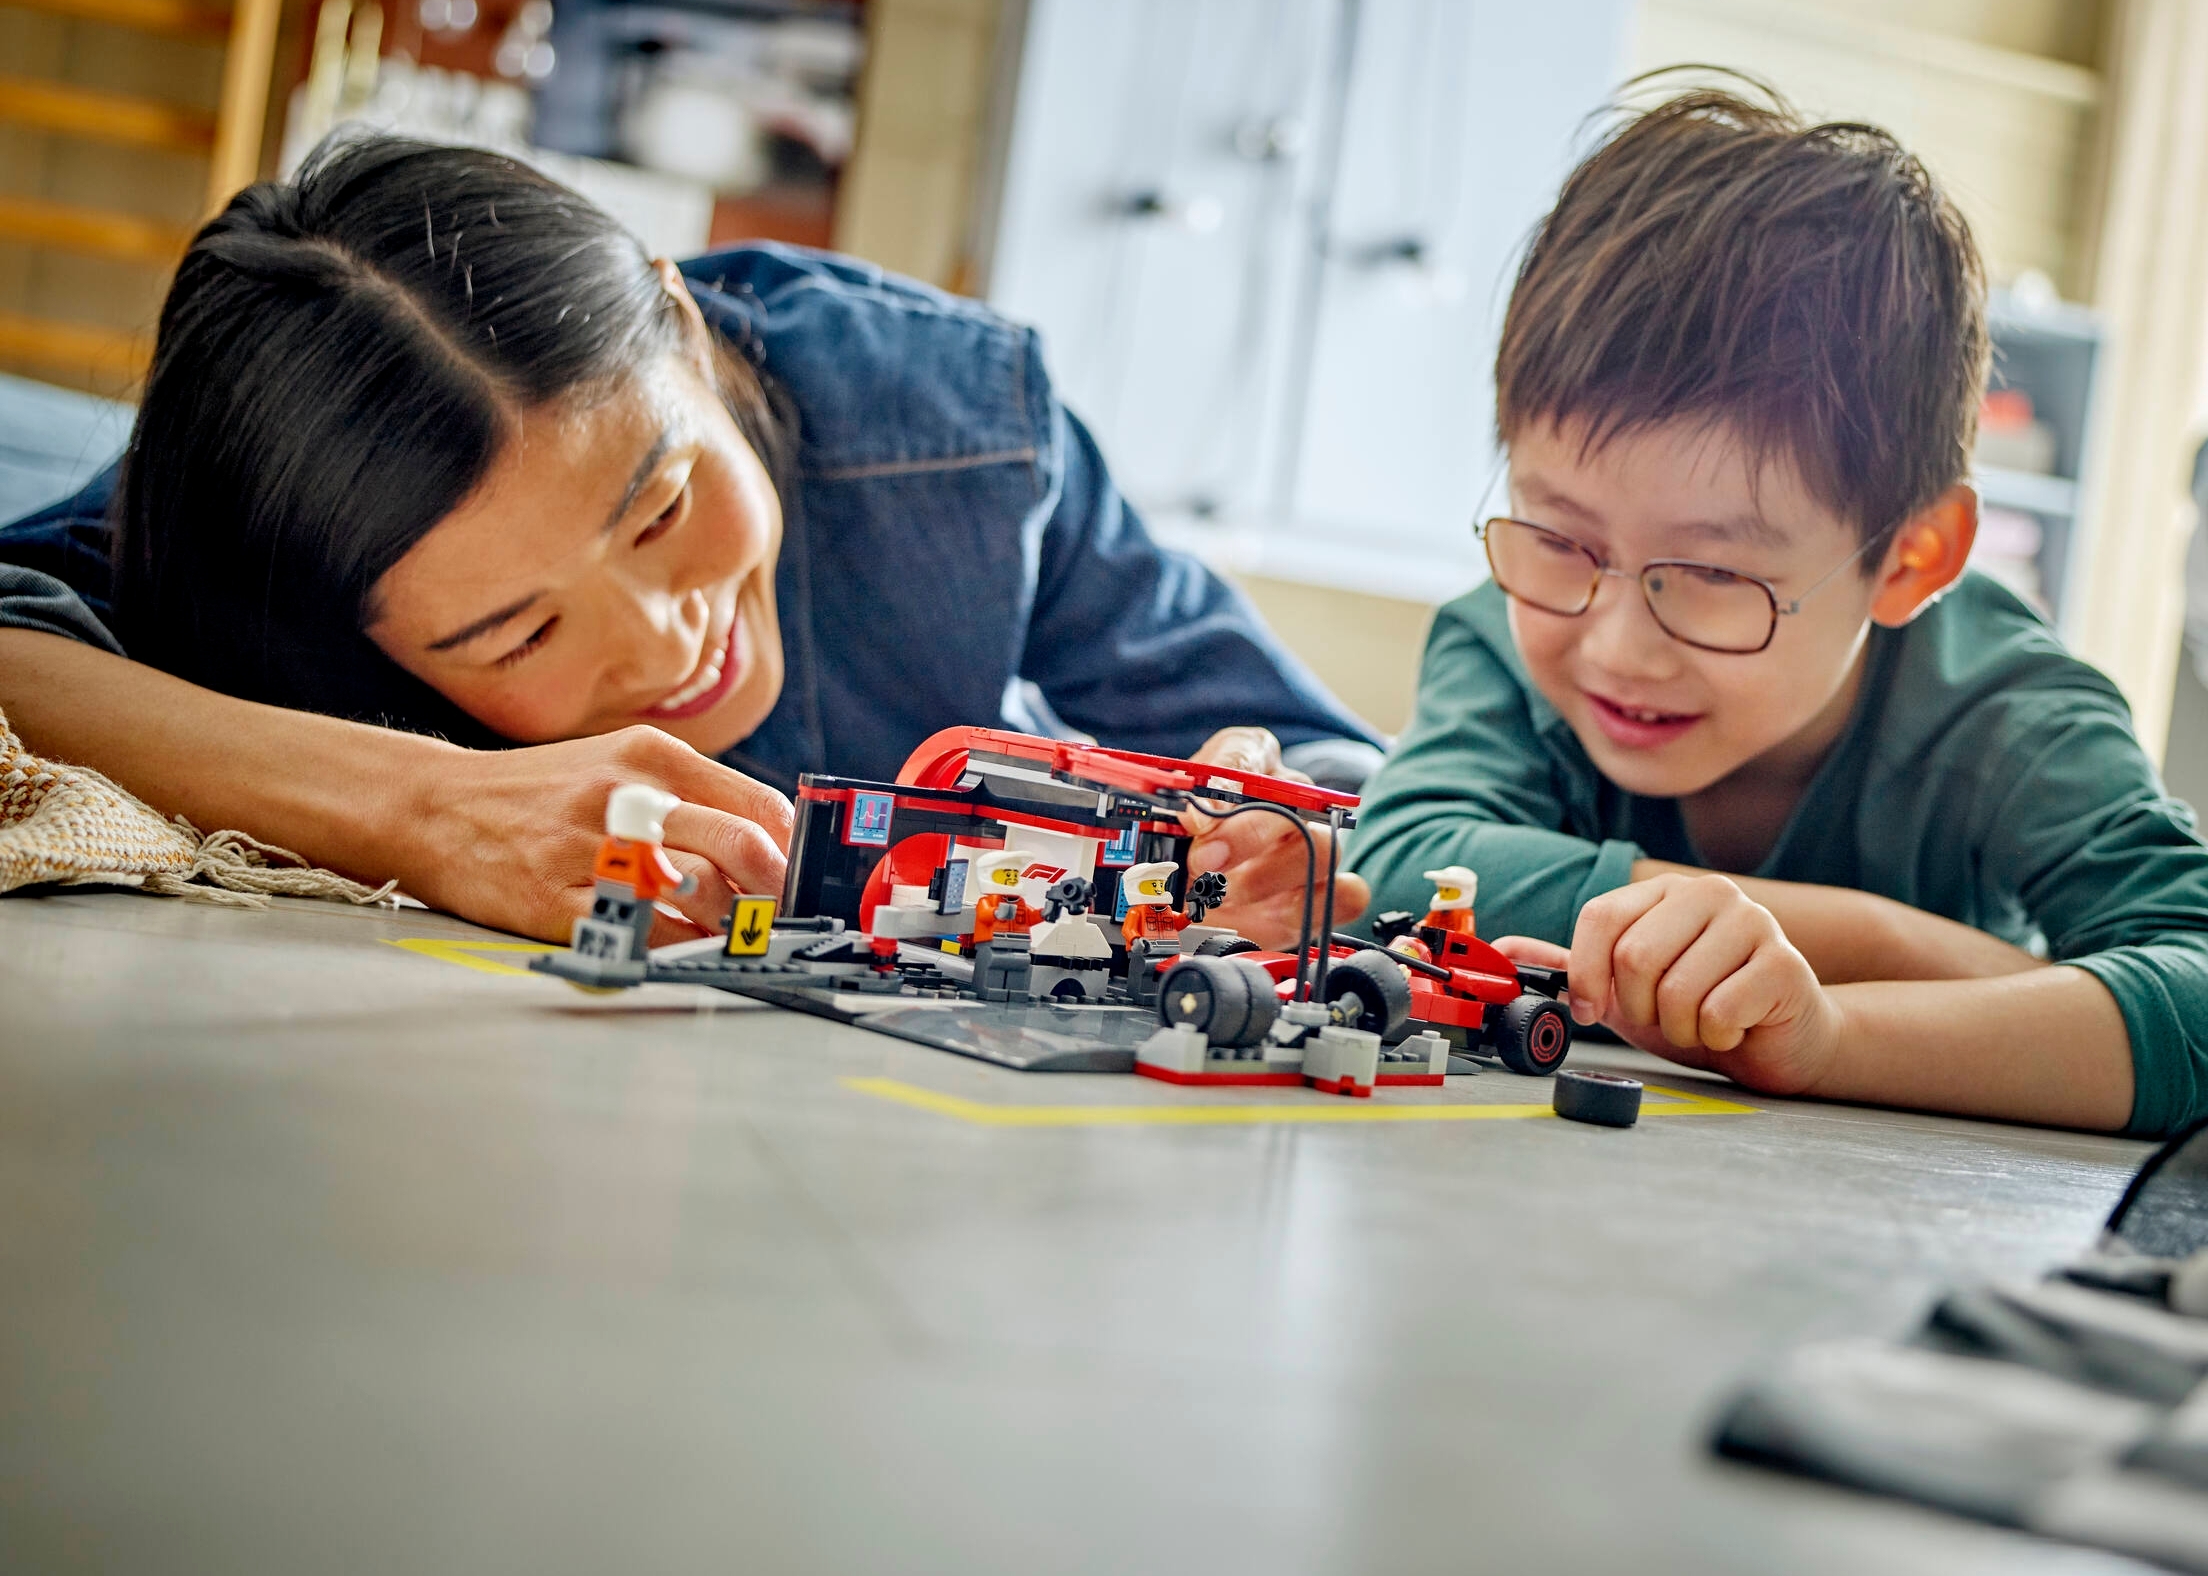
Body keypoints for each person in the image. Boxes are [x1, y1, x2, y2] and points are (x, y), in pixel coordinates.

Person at [0, 133, 1378, 947]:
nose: (670, 634)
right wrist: (426, 810)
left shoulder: (951, 416)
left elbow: (1320, 757)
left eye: (660, 506)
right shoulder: (283, 506)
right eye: (515, 631)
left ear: (688, 327)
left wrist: (1269, 831)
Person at [1347, 80, 2208, 1143]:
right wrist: (1908, 948)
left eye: (1718, 576)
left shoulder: (2005, 711)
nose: (1618, 645)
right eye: (1564, 537)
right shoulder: (1506, 634)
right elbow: (1399, 871)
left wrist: (1826, 1036)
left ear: (1910, 557)